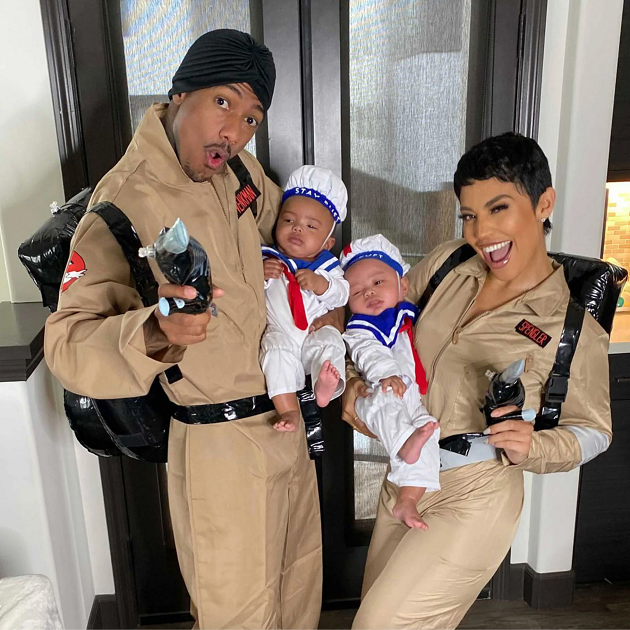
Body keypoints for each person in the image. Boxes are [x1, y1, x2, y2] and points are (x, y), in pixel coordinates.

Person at [45, 29, 327, 629]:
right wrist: (156, 330)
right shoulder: (124, 203)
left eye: (251, 118)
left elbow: (292, 232)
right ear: (180, 94)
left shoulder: (241, 172)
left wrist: (314, 279)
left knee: (300, 597)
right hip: (219, 444)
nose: (234, 131)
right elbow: (68, 345)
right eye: (223, 102)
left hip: (287, 420)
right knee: (236, 618)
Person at [343, 132, 613, 629]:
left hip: (475, 492)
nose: (481, 232)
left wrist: (535, 446)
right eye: (469, 215)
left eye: (498, 208)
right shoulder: (448, 265)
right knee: (380, 614)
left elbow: (594, 431)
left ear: (543, 203)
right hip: (405, 478)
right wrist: (355, 384)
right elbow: (375, 323)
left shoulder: (572, 328)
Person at [340, 234, 440, 529]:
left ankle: (407, 500)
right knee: (387, 406)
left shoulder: (407, 316)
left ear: (403, 286)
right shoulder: (361, 327)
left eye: (377, 282)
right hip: (378, 391)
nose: (369, 292)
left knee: (428, 430)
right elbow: (367, 352)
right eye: (357, 291)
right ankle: (405, 444)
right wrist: (386, 374)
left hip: (410, 396)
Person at [261, 165, 348, 431]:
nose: (298, 229)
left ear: (327, 243)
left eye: (311, 226)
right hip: (282, 333)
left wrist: (321, 285)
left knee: (331, 340)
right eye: (289, 221)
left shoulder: (326, 267)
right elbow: (248, 290)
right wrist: (260, 273)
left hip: (314, 332)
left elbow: (342, 294)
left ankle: (325, 387)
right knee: (274, 352)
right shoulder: (268, 258)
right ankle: (289, 410)